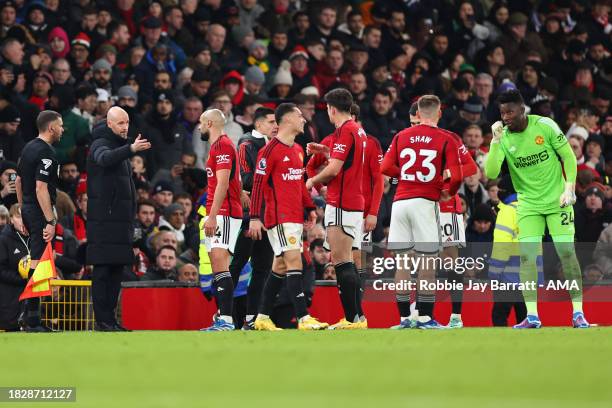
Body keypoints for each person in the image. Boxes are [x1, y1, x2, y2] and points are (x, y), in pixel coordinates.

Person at [484, 89, 589, 329]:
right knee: (527, 258)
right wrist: (494, 142)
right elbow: (490, 173)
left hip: (557, 201)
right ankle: (532, 316)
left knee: (567, 253)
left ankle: (578, 314)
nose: (506, 117)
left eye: (510, 111)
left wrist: (569, 188)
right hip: (528, 205)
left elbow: (568, 158)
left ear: (522, 110)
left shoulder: (545, 125)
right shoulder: (504, 137)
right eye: (502, 113)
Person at [381, 95, 463, 329]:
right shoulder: (445, 138)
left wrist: (406, 176)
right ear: (438, 113)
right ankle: (425, 317)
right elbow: (456, 175)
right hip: (425, 202)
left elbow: (385, 167)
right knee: (427, 263)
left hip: (400, 203)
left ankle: (404, 318)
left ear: (418, 113)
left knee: (403, 264)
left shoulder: (401, 136)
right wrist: (447, 191)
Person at [249, 103, 326, 331]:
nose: (304, 119)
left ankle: (262, 317)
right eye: (300, 116)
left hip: (293, 215)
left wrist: (310, 207)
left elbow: (299, 183)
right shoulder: (269, 151)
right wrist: (254, 217)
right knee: (295, 262)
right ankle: (303, 318)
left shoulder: (297, 150)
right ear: (288, 120)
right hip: (280, 217)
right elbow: (257, 186)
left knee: (280, 267)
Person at [86, 106, 151, 331]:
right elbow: (104, 159)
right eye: (121, 123)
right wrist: (131, 149)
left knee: (115, 272)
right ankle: (102, 321)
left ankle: (111, 320)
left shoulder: (121, 147)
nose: (125, 127)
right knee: (103, 271)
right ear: (110, 124)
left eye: (127, 122)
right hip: (104, 222)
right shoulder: (100, 143)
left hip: (120, 222)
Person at [305, 88, 365, 330]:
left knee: (341, 261)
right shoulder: (358, 130)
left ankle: (352, 319)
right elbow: (345, 160)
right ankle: (357, 317)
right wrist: (326, 152)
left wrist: (311, 181)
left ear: (331, 108)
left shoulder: (344, 130)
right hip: (353, 200)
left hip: (342, 202)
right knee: (346, 260)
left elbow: (334, 170)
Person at [15, 110, 63, 332]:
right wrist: (50, 221)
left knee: (39, 259)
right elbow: (40, 187)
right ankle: (31, 318)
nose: (63, 130)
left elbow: (19, 182)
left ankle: (30, 315)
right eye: (60, 126)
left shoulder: (28, 147)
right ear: (51, 127)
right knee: (40, 260)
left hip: (29, 208)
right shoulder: (47, 152)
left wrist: (23, 209)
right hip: (40, 211)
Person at [230, 107, 277, 329]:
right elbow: (246, 178)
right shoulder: (246, 144)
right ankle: (226, 316)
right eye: (271, 122)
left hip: (268, 216)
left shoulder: (274, 146)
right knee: (236, 265)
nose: (275, 126)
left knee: (262, 269)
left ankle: (252, 319)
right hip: (249, 216)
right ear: (258, 125)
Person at [199, 108, 243, 331]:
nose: (198, 127)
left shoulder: (223, 145)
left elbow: (223, 183)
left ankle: (226, 320)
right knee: (219, 267)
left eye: (200, 122)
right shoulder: (218, 147)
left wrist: (213, 216)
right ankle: (223, 318)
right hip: (221, 212)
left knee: (220, 264)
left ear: (209, 123)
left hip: (223, 213)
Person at [0, 204, 29, 331]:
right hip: (10, 299)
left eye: (25, 216)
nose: (23, 220)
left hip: (31, 299)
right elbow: (1, 271)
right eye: (18, 216)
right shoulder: (4, 240)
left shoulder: (34, 238)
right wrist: (23, 279)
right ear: (11, 219)